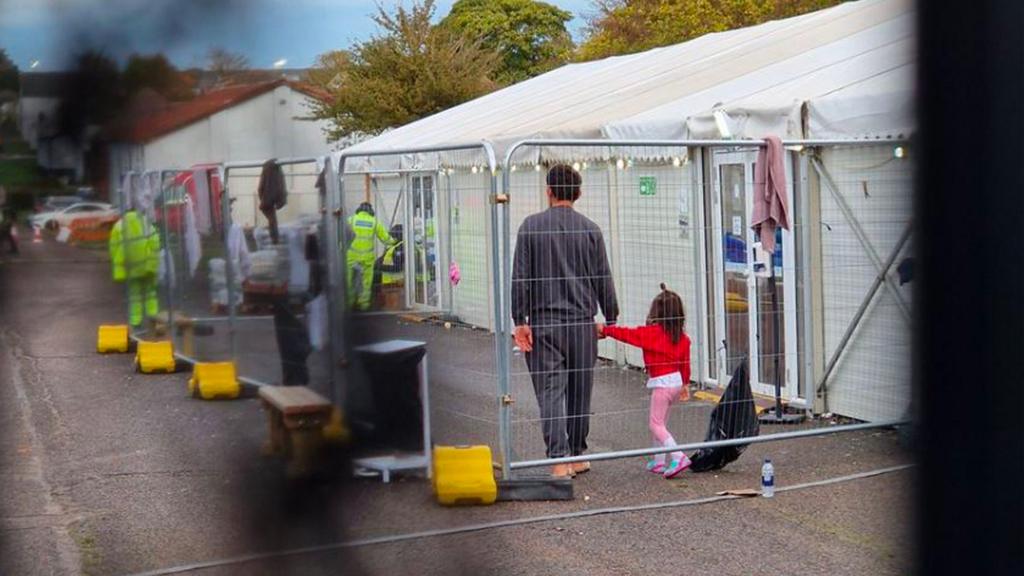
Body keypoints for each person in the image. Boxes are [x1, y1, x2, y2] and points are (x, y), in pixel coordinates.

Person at [511, 164, 619, 478]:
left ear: (548, 191)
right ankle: (577, 454)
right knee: (579, 390)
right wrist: (609, 316)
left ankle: (558, 459)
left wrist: (520, 319)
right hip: (582, 323)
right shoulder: (591, 229)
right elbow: (603, 277)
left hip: (544, 324)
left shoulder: (530, 227)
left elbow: (521, 278)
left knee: (550, 392)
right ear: (579, 193)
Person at [598, 284, 692, 478]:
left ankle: (679, 456)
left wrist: (606, 330)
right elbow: (685, 362)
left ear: (655, 311)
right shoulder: (682, 337)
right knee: (661, 423)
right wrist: (685, 384)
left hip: (661, 384)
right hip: (675, 382)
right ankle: (658, 462)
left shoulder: (652, 333)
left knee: (655, 424)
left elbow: (627, 334)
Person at [109, 208, 161, 327]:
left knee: (134, 296)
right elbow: (155, 242)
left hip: (130, 267)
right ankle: (154, 318)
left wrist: (118, 264)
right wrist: (153, 262)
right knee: (151, 293)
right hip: (147, 265)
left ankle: (135, 321)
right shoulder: (146, 222)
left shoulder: (119, 225)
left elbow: (114, 247)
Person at [346, 202, 395, 311]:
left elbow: (342, 234)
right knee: (366, 282)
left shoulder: (351, 220)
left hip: (352, 257)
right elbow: (385, 238)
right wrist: (394, 241)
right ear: (370, 211)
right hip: (367, 259)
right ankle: (363, 305)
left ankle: (349, 303)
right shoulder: (374, 222)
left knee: (349, 280)